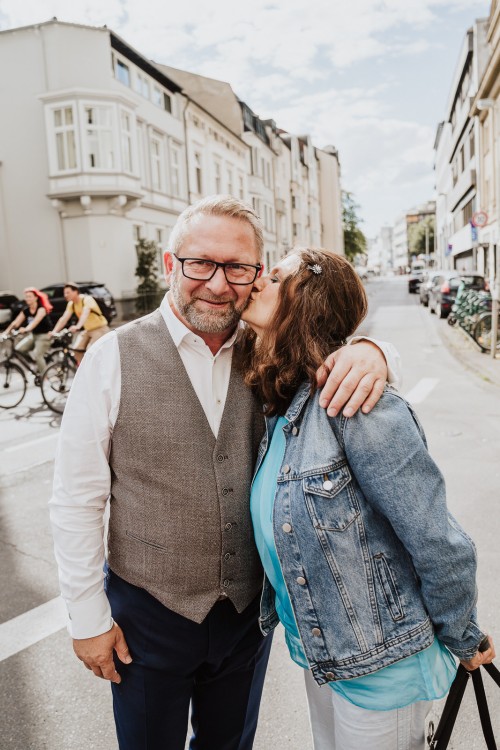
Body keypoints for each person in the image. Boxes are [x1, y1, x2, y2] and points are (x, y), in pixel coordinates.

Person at [49, 196, 400, 750]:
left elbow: (333, 340)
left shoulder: (272, 348)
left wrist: (374, 351)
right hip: (147, 616)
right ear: (171, 265)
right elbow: (76, 499)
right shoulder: (112, 356)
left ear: (257, 275)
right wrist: (86, 619)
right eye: (200, 264)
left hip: (245, 617)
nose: (218, 283)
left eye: (237, 268)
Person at [239, 247, 496, 750]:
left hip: (382, 664)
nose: (255, 282)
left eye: (274, 277)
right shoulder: (286, 400)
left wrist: (463, 633)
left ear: (305, 301)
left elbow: (434, 536)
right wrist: (376, 347)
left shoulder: (358, 405)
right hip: (323, 653)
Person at [49, 283, 110, 363]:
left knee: (91, 352)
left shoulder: (87, 299)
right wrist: (54, 331)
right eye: (64, 293)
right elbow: (64, 318)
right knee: (76, 350)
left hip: (99, 329)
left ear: (76, 292)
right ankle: (85, 372)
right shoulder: (71, 304)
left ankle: (96, 371)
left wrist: (77, 326)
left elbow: (85, 313)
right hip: (88, 330)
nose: (65, 295)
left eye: (68, 292)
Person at [4, 287, 54, 377]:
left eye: (30, 296)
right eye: (26, 297)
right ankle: (35, 364)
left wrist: (26, 329)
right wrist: (6, 332)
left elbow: (35, 322)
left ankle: (45, 377)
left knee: (37, 354)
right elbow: (15, 322)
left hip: (44, 336)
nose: (27, 299)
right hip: (33, 335)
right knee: (19, 349)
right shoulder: (26, 310)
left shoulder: (41, 309)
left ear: (36, 298)